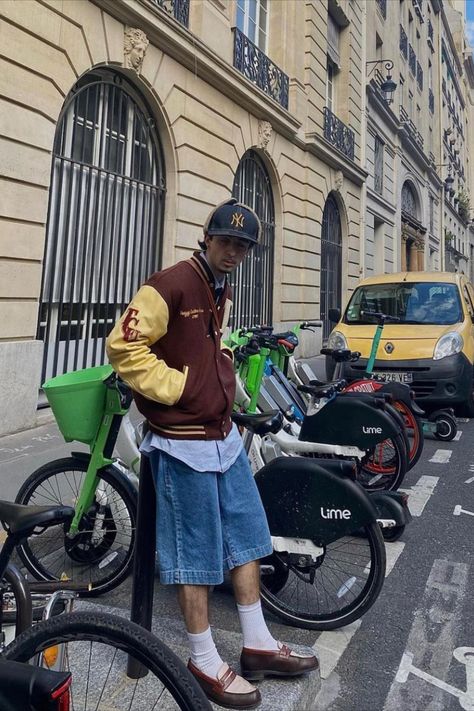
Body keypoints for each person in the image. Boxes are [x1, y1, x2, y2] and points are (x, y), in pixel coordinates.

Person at [106, 198, 318, 708]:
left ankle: (258, 644)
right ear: (208, 237)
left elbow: (200, 344)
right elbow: (122, 346)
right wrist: (180, 388)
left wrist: (216, 365)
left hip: (220, 436)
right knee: (196, 555)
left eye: (243, 246)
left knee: (247, 535)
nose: (234, 252)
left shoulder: (218, 285)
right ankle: (202, 660)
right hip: (182, 443)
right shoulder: (171, 283)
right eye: (227, 241)